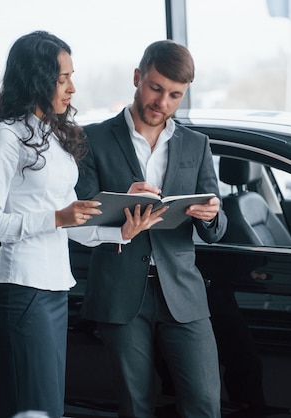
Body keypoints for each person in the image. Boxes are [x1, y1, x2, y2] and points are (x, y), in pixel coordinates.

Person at [0, 31, 166, 418]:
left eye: (71, 77)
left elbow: (72, 221)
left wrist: (119, 229)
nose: (72, 88)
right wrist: (55, 218)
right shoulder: (5, 138)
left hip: (53, 290)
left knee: (43, 409)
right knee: (35, 409)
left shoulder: (53, 136)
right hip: (21, 289)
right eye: (62, 79)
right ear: (35, 80)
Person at [76, 39, 228, 418]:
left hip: (182, 291)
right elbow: (79, 215)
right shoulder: (92, 139)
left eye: (175, 95)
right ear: (137, 78)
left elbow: (217, 227)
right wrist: (122, 199)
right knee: (135, 405)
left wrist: (212, 216)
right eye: (156, 88)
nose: (163, 102)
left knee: (205, 404)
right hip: (121, 289)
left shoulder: (196, 144)